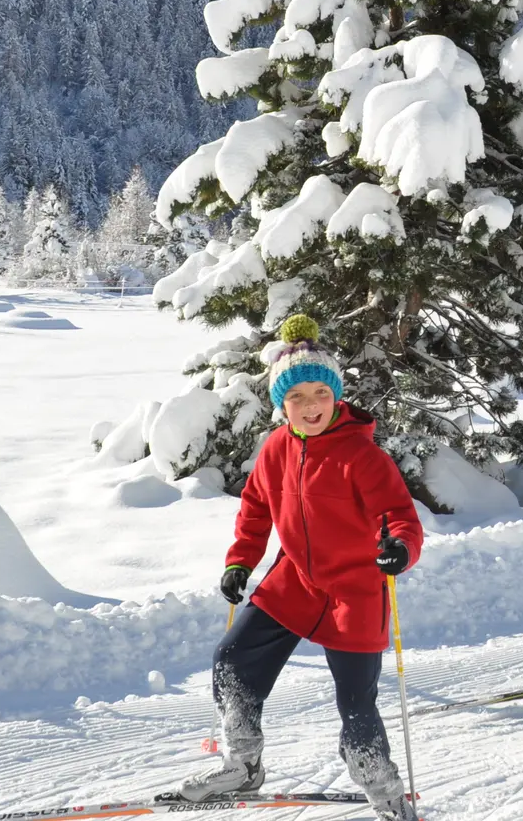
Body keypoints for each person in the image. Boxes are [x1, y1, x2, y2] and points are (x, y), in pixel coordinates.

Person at [177, 314, 423, 821]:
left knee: (357, 705)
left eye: (320, 393)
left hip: (356, 587)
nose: (310, 406)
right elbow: (256, 507)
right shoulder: (276, 449)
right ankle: (242, 762)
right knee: (232, 658)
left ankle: (388, 797)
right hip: (297, 579)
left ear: (335, 395)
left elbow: (398, 515)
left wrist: (399, 547)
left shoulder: (362, 456)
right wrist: (241, 560)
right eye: (296, 398)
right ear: (280, 405)